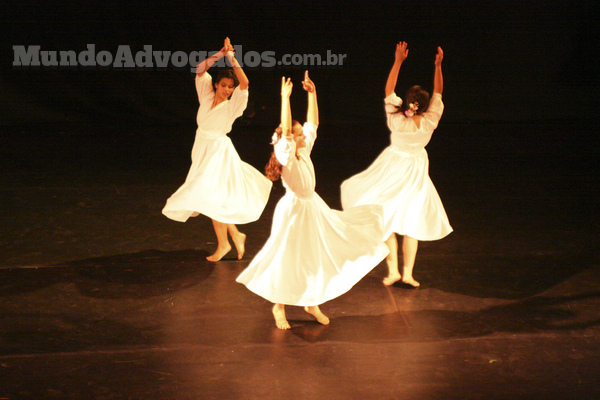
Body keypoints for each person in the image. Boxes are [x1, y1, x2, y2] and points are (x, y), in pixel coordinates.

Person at [236, 72, 389, 330]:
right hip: (294, 211)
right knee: (288, 256)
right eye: (298, 134)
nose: (304, 135)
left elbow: (313, 123)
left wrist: (312, 94)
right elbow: (286, 131)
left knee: (315, 253)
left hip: (313, 207)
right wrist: (285, 99)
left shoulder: (302, 148)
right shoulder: (286, 155)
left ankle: (311, 301)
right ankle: (279, 305)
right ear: (290, 139)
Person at [340, 42, 452, 288]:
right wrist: (438, 66)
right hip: (414, 170)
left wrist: (398, 61)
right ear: (424, 106)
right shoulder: (430, 120)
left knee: (386, 217)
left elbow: (389, 88)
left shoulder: (397, 118)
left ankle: (393, 271)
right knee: (411, 221)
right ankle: (407, 273)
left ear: (407, 103)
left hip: (392, 167)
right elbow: (439, 93)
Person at [162, 38, 272, 262]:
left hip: (218, 152)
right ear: (216, 85)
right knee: (213, 197)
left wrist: (232, 58)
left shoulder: (233, 105)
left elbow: (245, 83)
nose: (226, 90)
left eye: (229, 87)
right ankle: (235, 234)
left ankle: (224, 244)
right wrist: (219, 54)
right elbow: (200, 69)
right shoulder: (206, 95)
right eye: (223, 85)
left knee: (209, 196)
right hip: (201, 147)